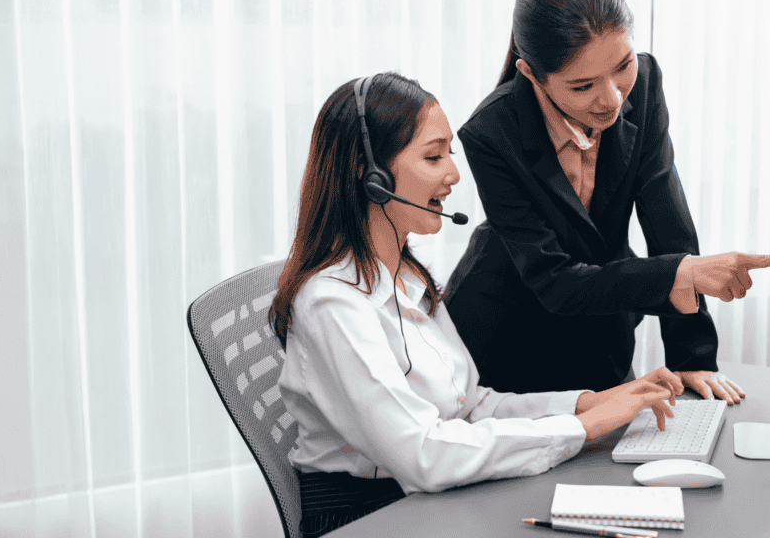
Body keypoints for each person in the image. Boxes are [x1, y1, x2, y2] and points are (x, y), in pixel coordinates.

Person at [270, 72, 686, 537]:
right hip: (368, 517)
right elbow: (423, 453)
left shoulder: (406, 276)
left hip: (426, 497)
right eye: (434, 156)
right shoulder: (333, 305)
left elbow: (473, 407)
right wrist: (582, 430)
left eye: (449, 152)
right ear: (372, 177)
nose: (453, 173)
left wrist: (589, 404)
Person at [444, 0, 770, 400]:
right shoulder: (491, 133)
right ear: (531, 74)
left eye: (622, 66)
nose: (611, 99)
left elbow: (668, 221)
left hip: (603, 331)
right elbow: (554, 280)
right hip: (507, 338)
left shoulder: (643, 86)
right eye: (583, 85)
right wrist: (682, 275)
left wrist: (692, 359)